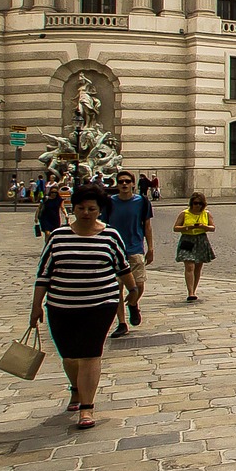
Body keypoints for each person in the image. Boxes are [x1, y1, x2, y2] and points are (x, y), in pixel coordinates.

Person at [31, 184, 134, 430]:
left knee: (90, 353)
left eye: (91, 209)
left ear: (100, 210)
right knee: (69, 354)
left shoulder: (110, 235)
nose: (86, 213)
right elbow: (44, 274)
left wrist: (134, 290)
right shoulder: (58, 236)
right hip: (61, 305)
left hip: (101, 304)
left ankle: (87, 407)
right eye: (81, 208)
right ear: (72, 208)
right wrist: (36, 307)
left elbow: (122, 267)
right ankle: (75, 387)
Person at [105, 172, 156, 337]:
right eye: (121, 182)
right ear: (117, 184)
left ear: (133, 184)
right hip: (114, 251)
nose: (124, 184)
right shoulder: (110, 203)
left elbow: (147, 226)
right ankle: (121, 323)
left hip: (135, 248)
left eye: (127, 181)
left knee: (138, 285)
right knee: (117, 288)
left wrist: (150, 248)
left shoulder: (141, 202)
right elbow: (103, 226)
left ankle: (133, 304)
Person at [172, 192, 216, 303]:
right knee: (189, 266)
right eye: (196, 203)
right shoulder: (184, 213)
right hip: (187, 239)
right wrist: (187, 227)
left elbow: (212, 227)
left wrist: (204, 226)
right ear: (191, 203)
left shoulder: (206, 214)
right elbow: (176, 228)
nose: (198, 206)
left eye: (200, 203)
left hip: (201, 240)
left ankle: (194, 290)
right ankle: (190, 292)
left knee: (198, 267)